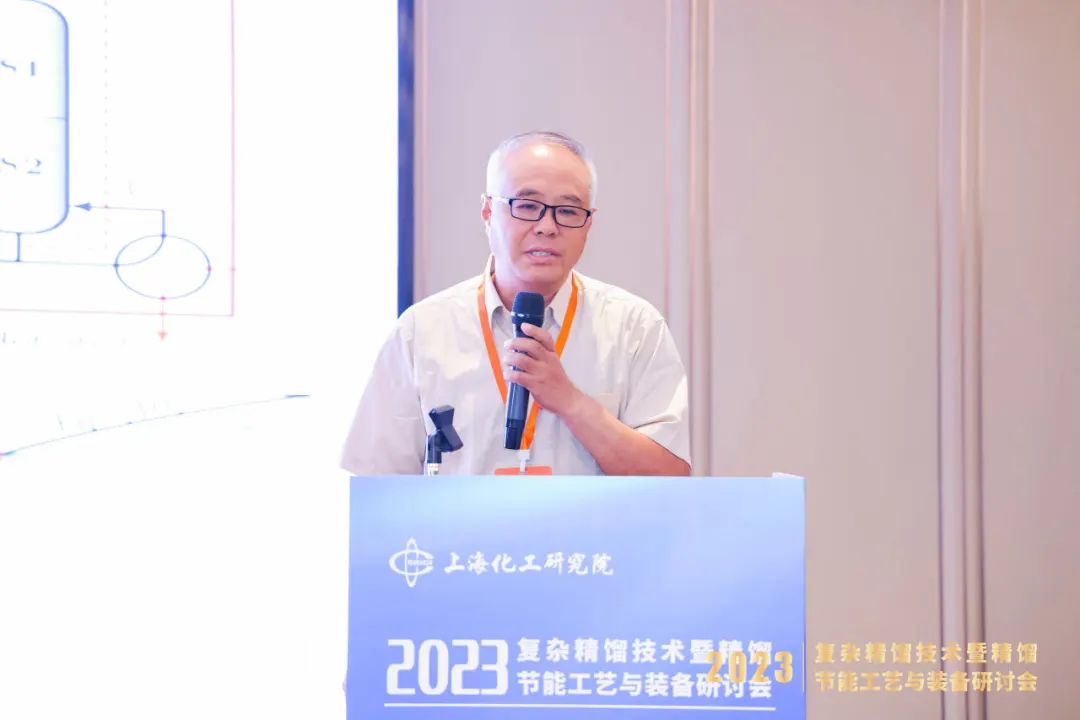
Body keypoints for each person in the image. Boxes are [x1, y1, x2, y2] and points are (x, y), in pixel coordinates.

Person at [341, 131, 690, 476]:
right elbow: (375, 486)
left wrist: (570, 402)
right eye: (527, 206)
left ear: (589, 224)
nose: (547, 227)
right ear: (487, 212)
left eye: (568, 211)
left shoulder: (634, 328)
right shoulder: (421, 332)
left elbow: (669, 479)